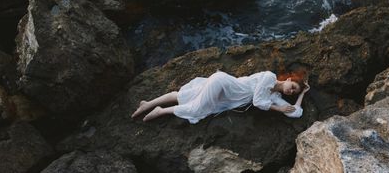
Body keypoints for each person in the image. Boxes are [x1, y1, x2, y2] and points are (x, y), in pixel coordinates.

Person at [131, 70, 310, 123]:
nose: (290, 91)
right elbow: (257, 101)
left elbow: (296, 113)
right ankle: (161, 110)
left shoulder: (273, 96)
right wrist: (278, 108)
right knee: (196, 108)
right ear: (287, 79)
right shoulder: (269, 77)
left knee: (184, 95)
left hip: (226, 96)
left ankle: (147, 104)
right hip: (223, 83)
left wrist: (301, 94)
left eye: (293, 92)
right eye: (293, 86)